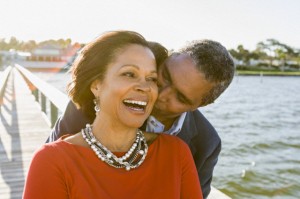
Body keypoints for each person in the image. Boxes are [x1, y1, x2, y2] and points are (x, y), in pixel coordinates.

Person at [23, 31, 202, 199]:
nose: (145, 87)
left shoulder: (176, 153)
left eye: (152, 79)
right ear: (96, 85)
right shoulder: (52, 161)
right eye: (129, 74)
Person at [48, 39, 235, 198]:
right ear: (166, 59)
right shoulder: (97, 97)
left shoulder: (206, 144)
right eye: (166, 76)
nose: (161, 94)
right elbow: (50, 167)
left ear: (200, 105)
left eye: (180, 97)